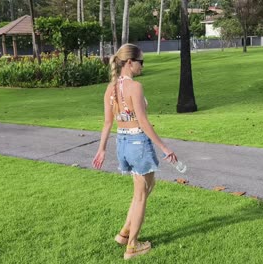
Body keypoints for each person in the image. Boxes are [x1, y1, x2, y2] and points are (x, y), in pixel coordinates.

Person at [92, 43, 178, 260]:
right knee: (141, 195)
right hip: (138, 143)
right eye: (140, 61)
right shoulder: (135, 87)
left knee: (148, 186)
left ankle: (124, 233)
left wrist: (102, 149)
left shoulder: (110, 88)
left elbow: (107, 122)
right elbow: (144, 122)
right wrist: (165, 148)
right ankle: (132, 246)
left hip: (123, 144)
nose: (142, 65)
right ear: (129, 63)